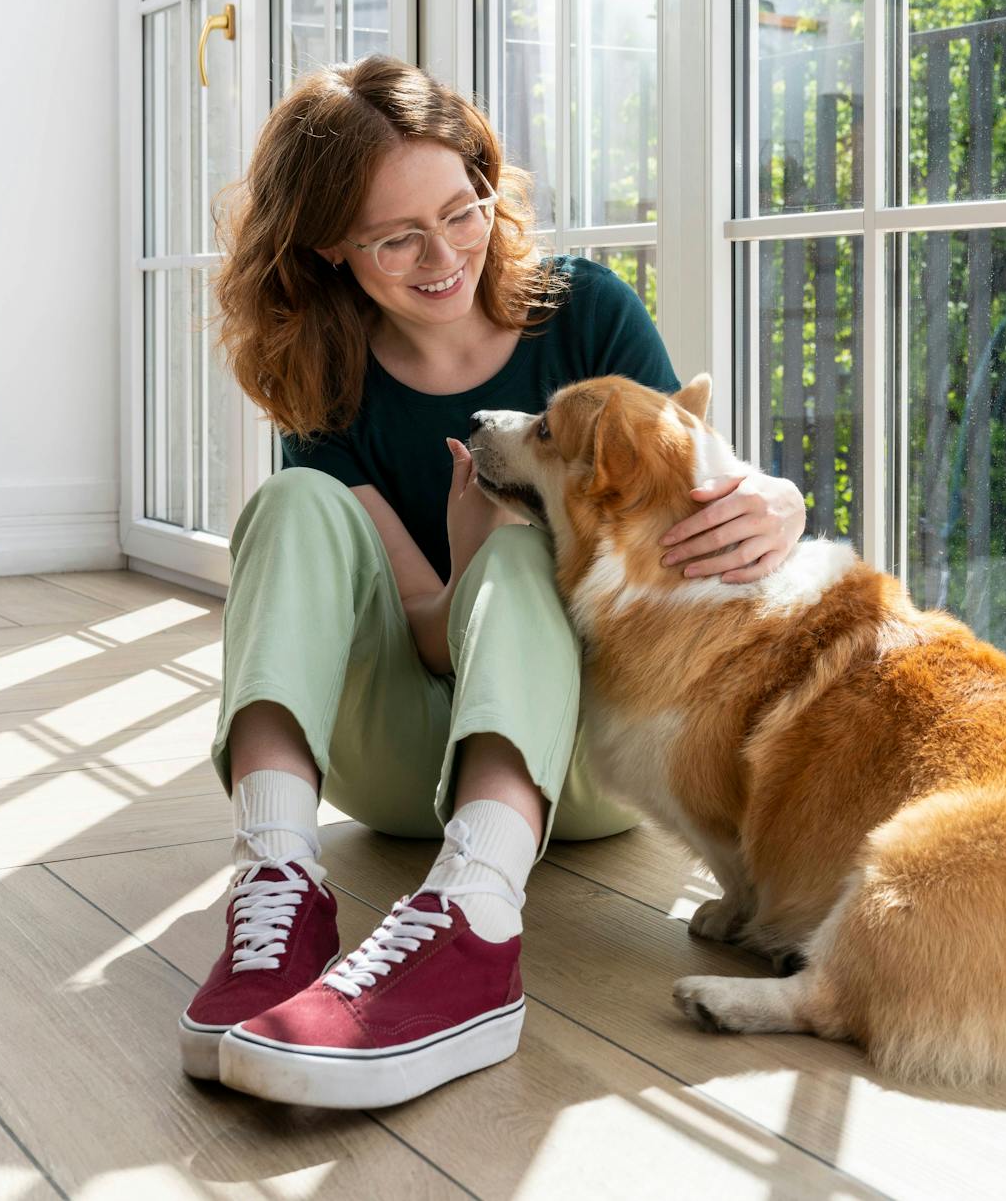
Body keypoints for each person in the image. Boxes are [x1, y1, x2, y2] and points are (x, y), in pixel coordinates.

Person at [178, 55, 807, 1109]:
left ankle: (474, 917)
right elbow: (429, 638)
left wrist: (780, 501)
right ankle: (277, 877)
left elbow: (688, 498)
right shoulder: (326, 386)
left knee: (528, 544)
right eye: (394, 237)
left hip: (589, 757)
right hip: (398, 766)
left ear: (487, 184)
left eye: (460, 211)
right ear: (330, 245)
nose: (442, 256)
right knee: (291, 505)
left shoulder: (587, 313)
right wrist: (468, 557)